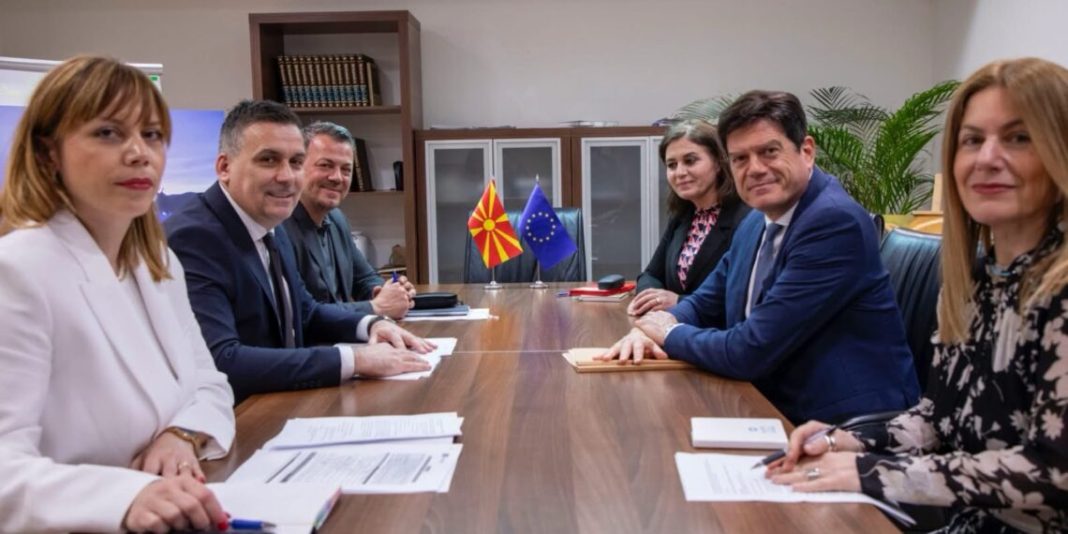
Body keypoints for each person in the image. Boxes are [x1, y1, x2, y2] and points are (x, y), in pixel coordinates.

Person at [770, 57, 1068, 533]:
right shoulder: (978, 280)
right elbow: (937, 418)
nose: (987, 158)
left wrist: (873, 474)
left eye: (1019, 138)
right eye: (972, 140)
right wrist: (845, 441)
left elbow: (1053, 471)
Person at [0, 56, 234, 532]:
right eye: (108, 133)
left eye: (152, 134)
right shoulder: (18, 270)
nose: (139, 153)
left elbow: (209, 383)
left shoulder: (157, 263)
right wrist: (126, 496)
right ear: (48, 153)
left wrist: (181, 434)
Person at [599, 90, 919, 424]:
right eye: (740, 158)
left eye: (769, 152)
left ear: (807, 151)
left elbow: (750, 350)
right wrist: (647, 330)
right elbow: (705, 303)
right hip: (770, 398)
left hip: (844, 423)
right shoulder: (756, 221)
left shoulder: (833, 222)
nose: (754, 169)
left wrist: (667, 332)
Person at [165, 100, 432, 404]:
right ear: (224, 167)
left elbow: (305, 313)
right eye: (268, 160)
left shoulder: (271, 225)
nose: (287, 177)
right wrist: (354, 360)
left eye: (295, 162)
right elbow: (223, 361)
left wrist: (373, 324)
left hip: (281, 403)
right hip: (234, 418)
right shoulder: (195, 238)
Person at [281, 121, 415, 319]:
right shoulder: (280, 228)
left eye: (346, 169)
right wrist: (376, 307)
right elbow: (303, 313)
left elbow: (363, 278)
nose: (337, 177)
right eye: (325, 165)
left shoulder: (336, 219)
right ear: (297, 166)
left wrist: (386, 291)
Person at [629, 119, 751, 315]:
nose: (680, 172)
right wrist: (651, 298)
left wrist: (679, 302)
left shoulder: (747, 218)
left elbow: (741, 297)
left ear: (718, 163)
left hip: (717, 331)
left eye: (690, 161)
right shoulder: (682, 216)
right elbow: (650, 274)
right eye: (672, 165)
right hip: (672, 325)